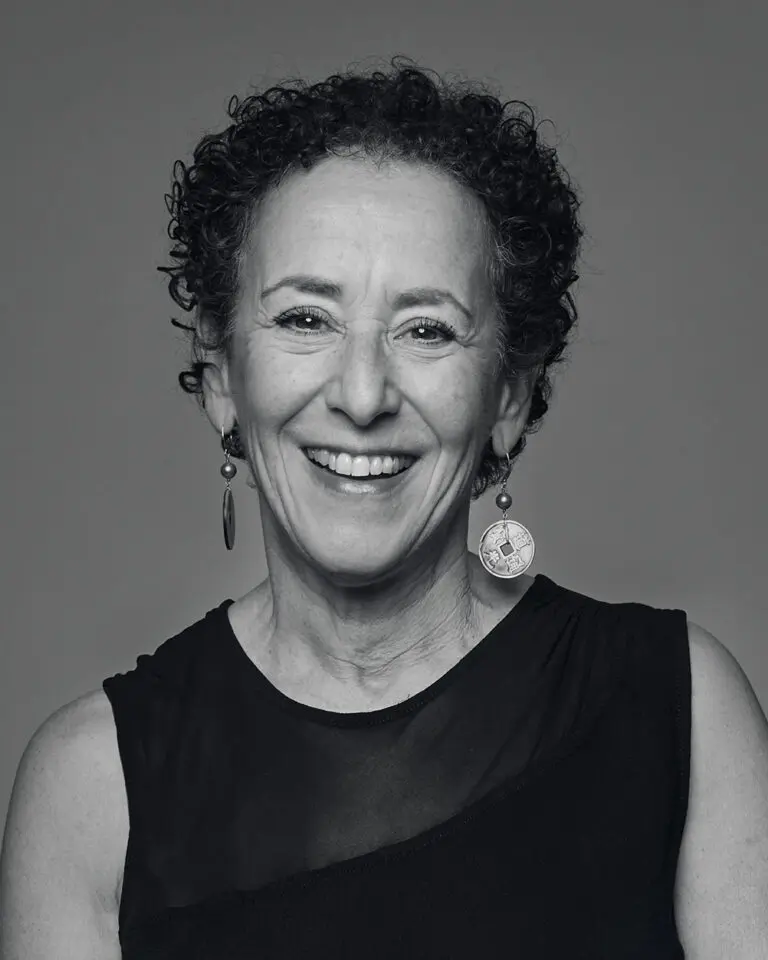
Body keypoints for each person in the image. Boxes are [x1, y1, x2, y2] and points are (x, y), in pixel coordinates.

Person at [1, 59, 767, 959]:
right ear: (220, 379)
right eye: (305, 320)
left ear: (509, 397)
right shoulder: (90, 786)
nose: (362, 395)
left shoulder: (682, 707)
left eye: (427, 330)